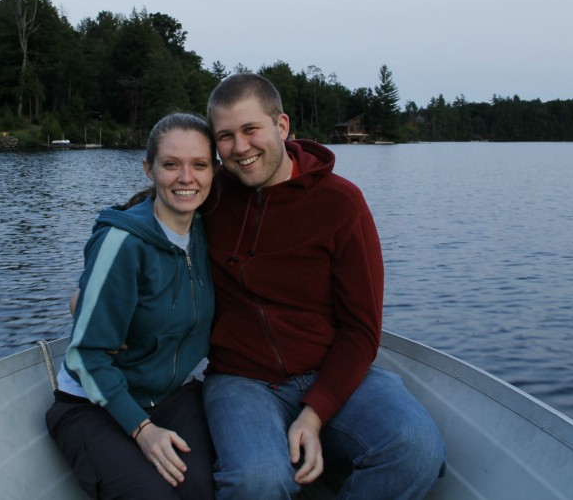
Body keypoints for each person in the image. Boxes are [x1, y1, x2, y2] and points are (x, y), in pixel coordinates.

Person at [200, 73, 446, 500]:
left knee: (415, 448)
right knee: (258, 483)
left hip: (331, 368)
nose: (240, 148)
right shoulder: (210, 195)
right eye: (225, 136)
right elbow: (145, 215)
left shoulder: (341, 204)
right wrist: (94, 285)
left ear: (281, 126)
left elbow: (362, 330)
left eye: (250, 129)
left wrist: (315, 413)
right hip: (241, 378)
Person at [45, 112, 217, 500]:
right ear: (149, 169)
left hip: (171, 396)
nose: (186, 178)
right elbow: (86, 355)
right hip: (92, 404)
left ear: (214, 171)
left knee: (207, 489)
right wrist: (142, 430)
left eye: (199, 165)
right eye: (170, 164)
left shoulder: (209, 233)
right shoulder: (122, 243)